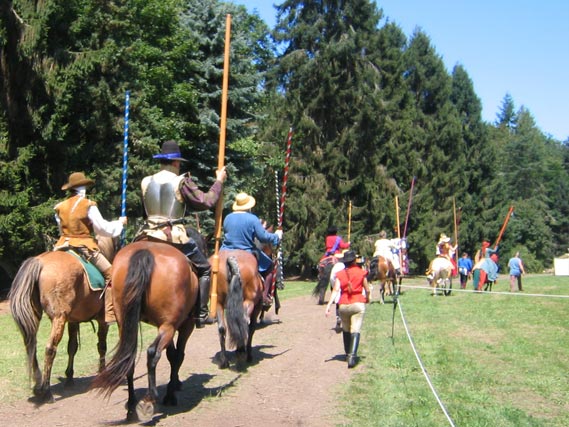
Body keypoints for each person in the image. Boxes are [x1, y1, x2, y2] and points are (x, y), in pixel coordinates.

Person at [139, 140, 227, 327]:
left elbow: (144, 211)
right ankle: (201, 314)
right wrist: (219, 182)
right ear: (177, 163)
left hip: (147, 232)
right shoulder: (181, 181)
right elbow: (206, 201)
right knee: (204, 268)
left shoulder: (146, 181)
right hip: (172, 235)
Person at [54, 172, 127, 323]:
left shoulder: (59, 207)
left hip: (62, 245)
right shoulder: (88, 205)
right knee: (111, 275)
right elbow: (102, 229)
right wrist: (119, 223)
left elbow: (61, 229)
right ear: (83, 188)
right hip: (84, 247)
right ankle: (109, 313)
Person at [220, 192, 283, 307]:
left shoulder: (228, 218)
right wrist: (276, 236)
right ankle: (264, 297)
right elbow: (263, 236)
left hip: (225, 251)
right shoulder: (253, 219)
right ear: (248, 206)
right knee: (270, 266)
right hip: (246, 251)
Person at [325, 250, 370, 369]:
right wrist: (368, 298)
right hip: (357, 303)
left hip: (343, 305)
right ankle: (352, 356)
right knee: (356, 329)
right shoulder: (361, 272)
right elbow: (367, 289)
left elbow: (335, 290)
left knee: (346, 329)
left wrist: (329, 305)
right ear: (355, 260)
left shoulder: (340, 274)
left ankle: (346, 354)